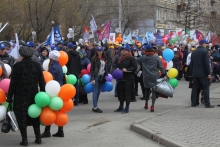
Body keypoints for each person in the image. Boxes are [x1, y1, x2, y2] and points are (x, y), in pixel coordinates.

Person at [6, 46, 46, 146]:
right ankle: (38, 138)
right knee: (34, 114)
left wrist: (9, 97)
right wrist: (43, 94)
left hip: (20, 95)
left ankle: (24, 140)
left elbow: (13, 83)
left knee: (21, 116)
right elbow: (42, 82)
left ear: (22, 55)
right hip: (34, 94)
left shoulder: (17, 66)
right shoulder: (36, 65)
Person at [41, 50, 65, 138]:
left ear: (50, 57)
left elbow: (50, 80)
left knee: (49, 110)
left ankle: (47, 131)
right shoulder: (59, 66)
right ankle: (60, 130)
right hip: (60, 89)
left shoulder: (53, 67)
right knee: (59, 110)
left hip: (53, 91)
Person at [137, 44, 166, 112]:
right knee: (154, 91)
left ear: (145, 50)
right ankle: (152, 106)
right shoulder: (156, 57)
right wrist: (164, 74)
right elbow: (161, 66)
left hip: (146, 76)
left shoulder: (143, 57)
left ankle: (146, 103)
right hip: (155, 76)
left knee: (147, 90)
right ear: (153, 50)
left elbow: (137, 60)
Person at [114, 44, 137, 114]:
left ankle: (127, 107)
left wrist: (127, 69)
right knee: (120, 93)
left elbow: (135, 67)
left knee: (127, 93)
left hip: (128, 78)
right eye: (122, 50)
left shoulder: (131, 58)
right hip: (121, 78)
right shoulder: (120, 58)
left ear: (128, 51)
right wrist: (117, 68)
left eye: (125, 50)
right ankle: (121, 106)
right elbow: (116, 65)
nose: (123, 52)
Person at [190, 39, 214, 108]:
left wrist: (192, 73)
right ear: (203, 44)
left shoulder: (194, 52)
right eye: (205, 44)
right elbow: (206, 63)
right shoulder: (204, 51)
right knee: (205, 88)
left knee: (194, 88)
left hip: (195, 73)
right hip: (202, 73)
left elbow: (191, 64)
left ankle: (193, 103)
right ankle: (207, 104)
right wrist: (208, 73)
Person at [90, 46, 107, 113]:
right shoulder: (94, 59)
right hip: (96, 76)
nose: (99, 52)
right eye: (98, 51)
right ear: (96, 51)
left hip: (102, 76)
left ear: (102, 51)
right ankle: (95, 107)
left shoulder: (104, 58)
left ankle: (95, 105)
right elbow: (92, 69)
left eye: (100, 51)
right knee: (95, 92)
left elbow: (105, 67)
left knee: (98, 92)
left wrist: (106, 74)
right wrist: (93, 78)